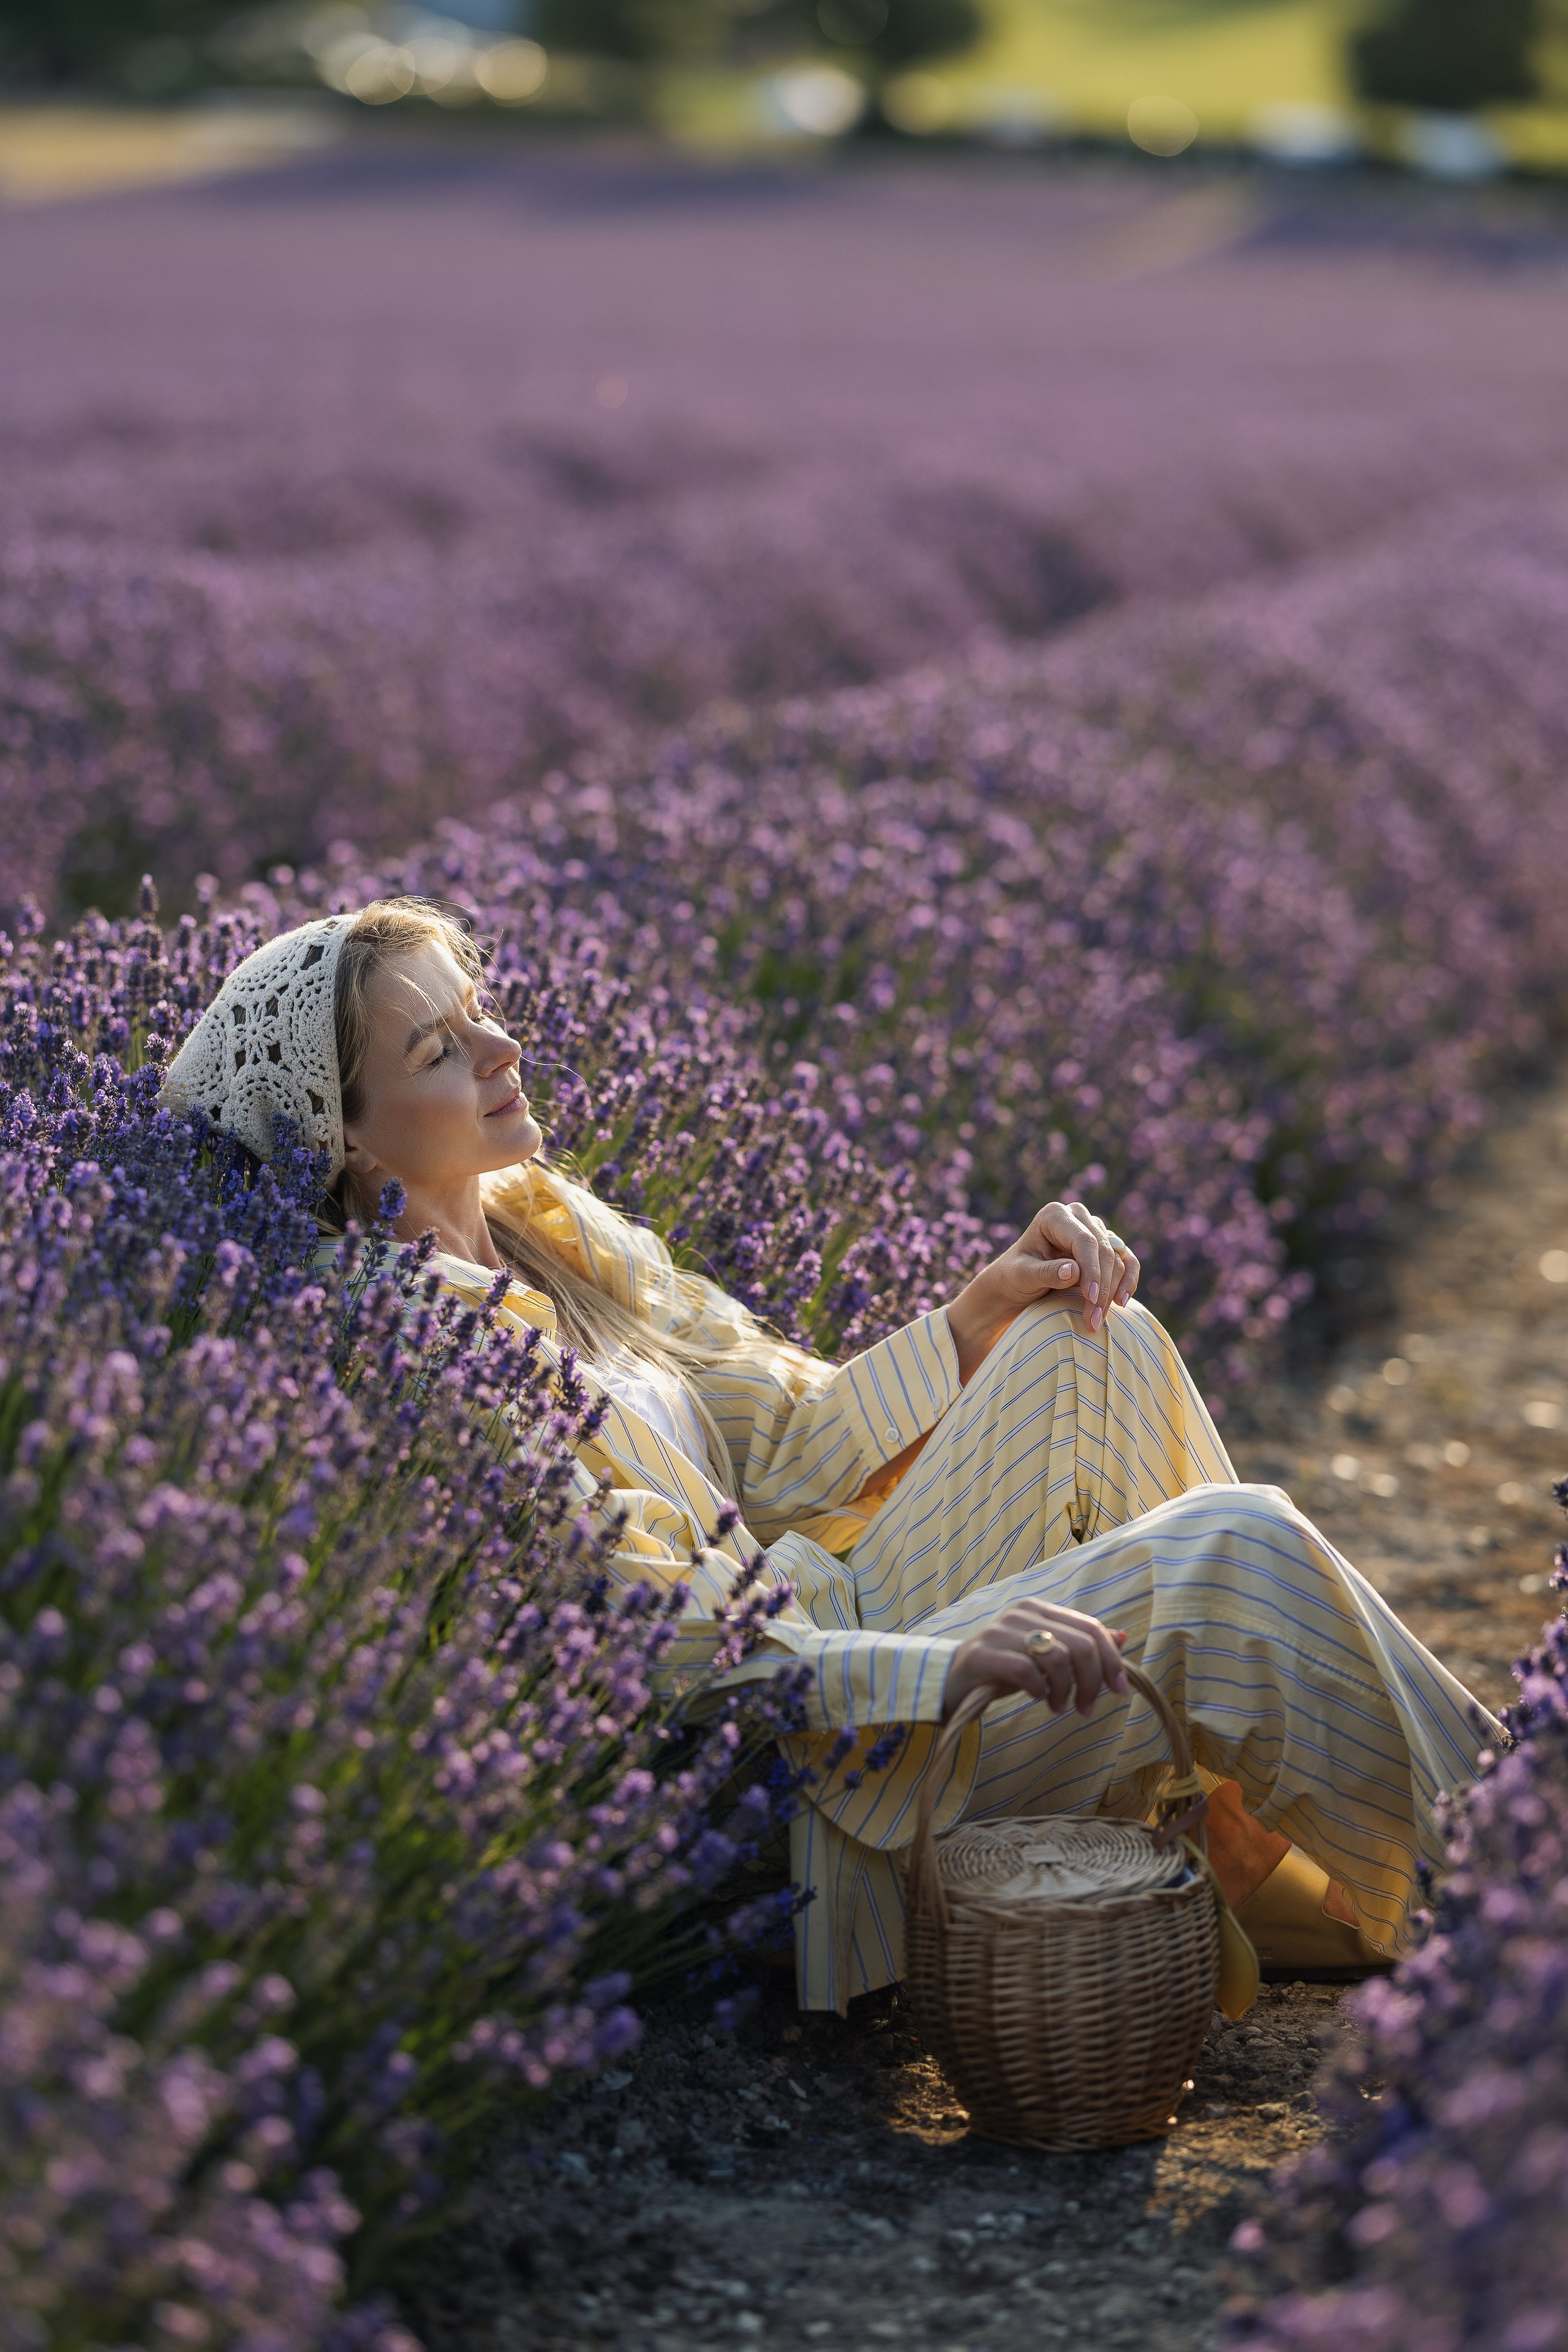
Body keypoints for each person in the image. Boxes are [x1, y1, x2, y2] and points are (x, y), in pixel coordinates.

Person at [162, 899, 1501, 2016]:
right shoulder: (424, 1345)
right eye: (444, 1049)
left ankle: (1288, 1848)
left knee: (1091, 1337)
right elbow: (665, 1652)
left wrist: (978, 1313)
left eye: (483, 1007)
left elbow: (792, 1445)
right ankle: (1510, 1903)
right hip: (809, 1781)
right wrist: (944, 1663)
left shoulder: (545, 1226)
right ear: (342, 1131)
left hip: (836, 1616)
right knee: (1232, 1549)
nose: (504, 1047)